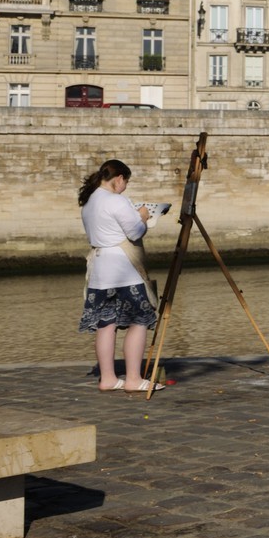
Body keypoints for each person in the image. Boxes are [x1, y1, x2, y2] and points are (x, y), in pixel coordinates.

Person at [77, 158, 164, 393]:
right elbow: (135, 232)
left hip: (99, 271)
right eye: (126, 182)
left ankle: (108, 378)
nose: (125, 187)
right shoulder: (117, 201)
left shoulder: (89, 202)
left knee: (106, 325)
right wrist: (144, 216)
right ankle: (134, 379)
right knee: (139, 322)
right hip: (124, 270)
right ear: (118, 179)